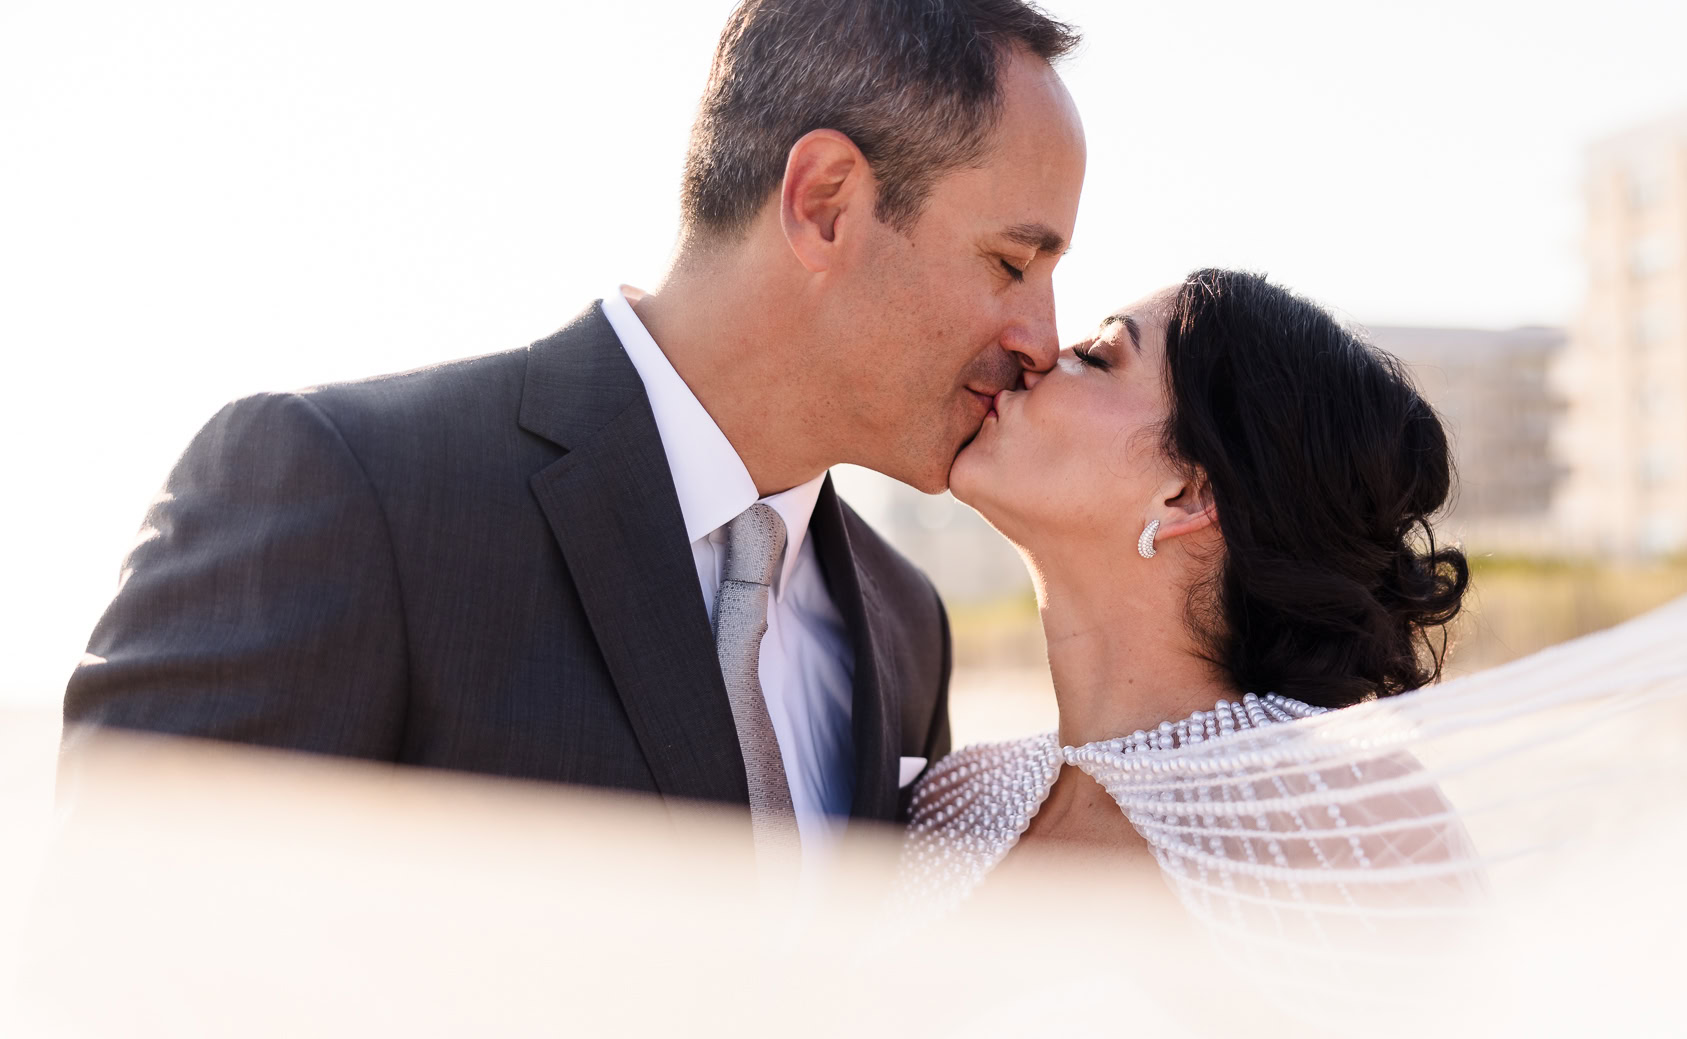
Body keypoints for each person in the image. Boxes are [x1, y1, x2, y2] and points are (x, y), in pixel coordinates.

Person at [63, 0, 1085, 860]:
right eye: (1010, 263)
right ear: (823, 204)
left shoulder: (905, 622)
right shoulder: (344, 490)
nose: (1041, 339)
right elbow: (124, 959)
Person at [901, 268, 1480, 915]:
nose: (1037, 357)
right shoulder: (948, 805)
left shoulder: (1343, 825)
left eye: (1096, 358)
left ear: (1188, 495)